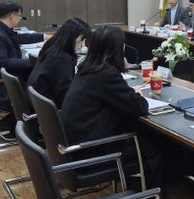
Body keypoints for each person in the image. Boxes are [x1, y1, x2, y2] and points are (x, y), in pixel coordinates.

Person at [61, 25, 163, 190]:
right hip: (90, 150)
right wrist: (134, 94)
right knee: (154, 146)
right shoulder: (106, 74)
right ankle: (149, 196)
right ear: (116, 48)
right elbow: (141, 107)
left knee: (137, 129)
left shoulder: (87, 67)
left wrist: (127, 94)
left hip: (74, 143)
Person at [0, 1, 44, 140]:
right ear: (12, 16)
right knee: (40, 94)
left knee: (37, 86)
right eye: (19, 16)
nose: (20, 19)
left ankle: (12, 125)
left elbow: (18, 38)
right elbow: (3, 62)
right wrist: (34, 61)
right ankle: (14, 126)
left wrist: (44, 37)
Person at [27, 18, 91, 108]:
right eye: (82, 40)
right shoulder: (62, 59)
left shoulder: (51, 47)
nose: (83, 45)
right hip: (52, 110)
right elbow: (66, 97)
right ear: (72, 38)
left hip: (40, 106)